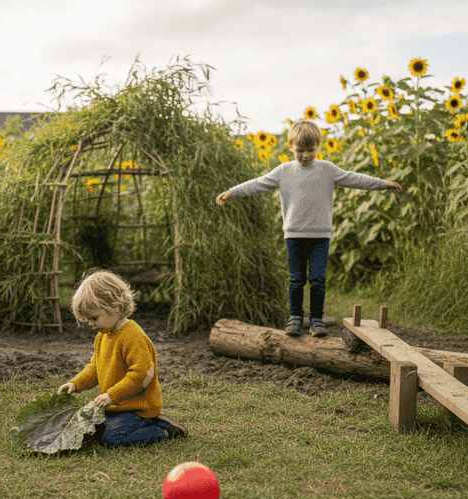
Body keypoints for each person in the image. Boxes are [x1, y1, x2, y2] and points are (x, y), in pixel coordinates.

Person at [216, 120, 401, 337]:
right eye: (299, 150)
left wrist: (383, 183)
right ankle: (295, 318)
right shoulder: (284, 171)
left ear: (318, 146)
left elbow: (354, 178)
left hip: (320, 237)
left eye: (310, 150)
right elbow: (258, 183)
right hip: (293, 236)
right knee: (296, 279)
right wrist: (232, 192)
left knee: (317, 279)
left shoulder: (327, 169)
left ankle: (316, 320)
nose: (305, 155)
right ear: (290, 146)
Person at [57, 269, 187, 447]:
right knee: (92, 433)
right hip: (115, 407)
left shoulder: (132, 336)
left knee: (113, 439)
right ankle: (143, 425)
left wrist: (111, 395)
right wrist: (75, 383)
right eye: (87, 320)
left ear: (115, 306)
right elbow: (95, 367)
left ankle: (160, 429)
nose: (91, 324)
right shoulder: (102, 337)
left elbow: (140, 374)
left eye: (94, 317)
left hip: (137, 408)